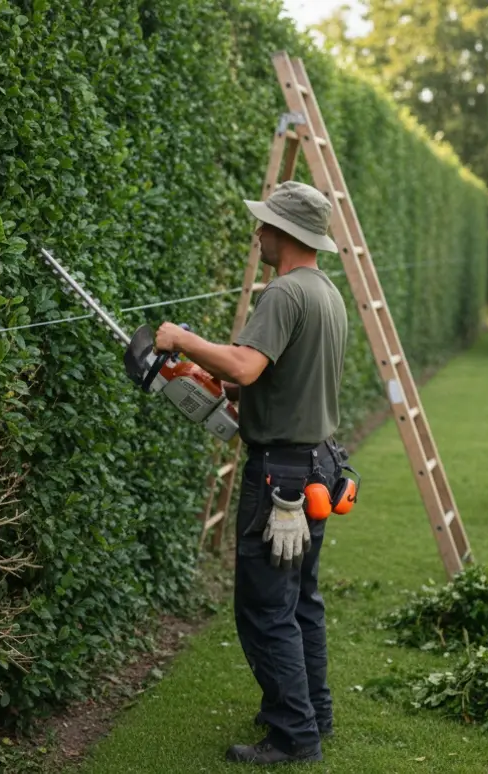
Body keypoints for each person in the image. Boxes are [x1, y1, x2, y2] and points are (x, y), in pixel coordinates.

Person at [153, 180, 349, 765]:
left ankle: (294, 736)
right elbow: (265, 377)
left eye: (264, 224)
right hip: (317, 463)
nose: (257, 232)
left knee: (265, 609)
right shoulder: (326, 293)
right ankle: (314, 712)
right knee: (300, 601)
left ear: (285, 233)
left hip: (280, 476)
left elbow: (245, 360)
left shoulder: (284, 293)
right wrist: (216, 382)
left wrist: (182, 338)